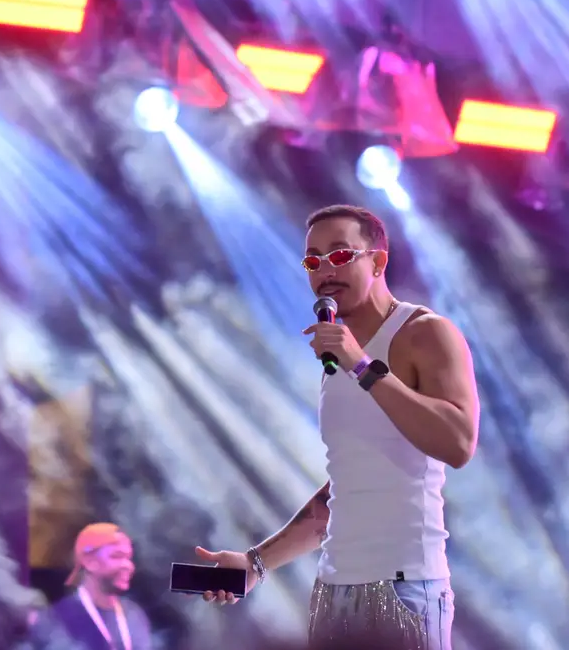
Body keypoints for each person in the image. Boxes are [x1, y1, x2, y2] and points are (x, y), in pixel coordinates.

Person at [196, 205, 479, 650]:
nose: (325, 270)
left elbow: (459, 443)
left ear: (378, 261)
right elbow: (345, 488)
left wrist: (362, 365)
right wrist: (255, 563)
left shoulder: (425, 333)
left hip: (404, 586)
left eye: (341, 255)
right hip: (333, 589)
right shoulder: (337, 357)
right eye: (313, 261)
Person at [23, 522, 153, 650]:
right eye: (117, 556)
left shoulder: (134, 615)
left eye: (128, 558)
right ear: (89, 562)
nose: (128, 566)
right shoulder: (56, 619)